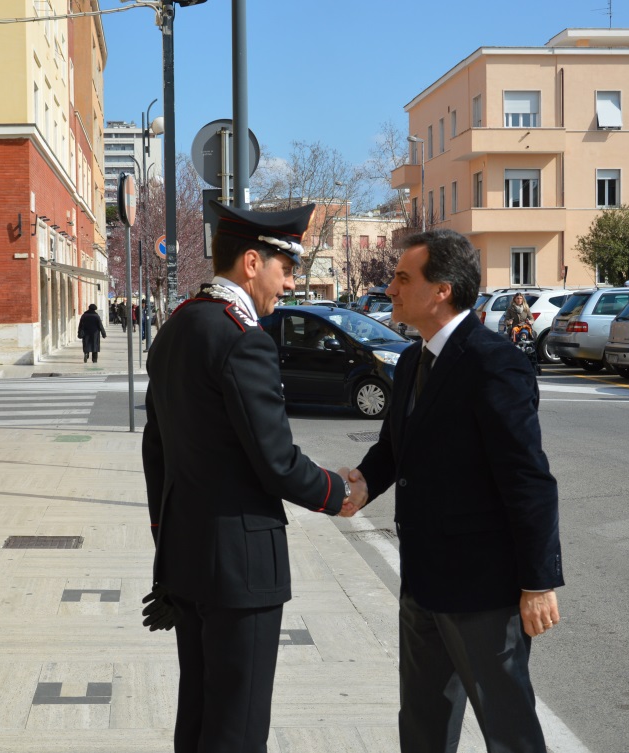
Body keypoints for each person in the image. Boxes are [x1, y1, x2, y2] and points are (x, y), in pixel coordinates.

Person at [141, 201, 364, 753]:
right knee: (237, 726)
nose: (289, 283)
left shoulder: (177, 326)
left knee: (197, 716)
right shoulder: (243, 337)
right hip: (240, 567)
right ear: (250, 263)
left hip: (188, 558)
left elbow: (156, 450)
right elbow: (277, 460)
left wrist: (163, 534)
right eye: (285, 268)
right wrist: (340, 494)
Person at [341, 229, 563, 753]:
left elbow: (527, 478)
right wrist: (366, 482)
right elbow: (397, 445)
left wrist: (538, 582)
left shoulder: (493, 362)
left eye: (402, 278)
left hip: (482, 590)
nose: (389, 289)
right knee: (422, 721)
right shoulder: (415, 358)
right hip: (422, 580)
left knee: (508, 728)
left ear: (441, 289)